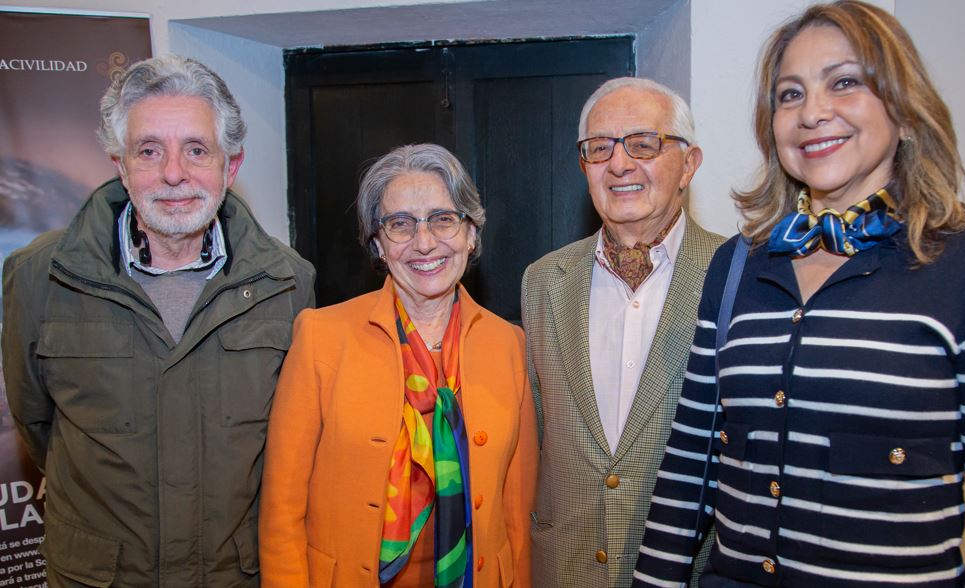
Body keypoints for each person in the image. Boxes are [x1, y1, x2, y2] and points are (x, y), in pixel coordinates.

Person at [633, 2, 965, 587]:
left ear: (905, 113)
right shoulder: (736, 267)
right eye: (790, 94)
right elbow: (688, 467)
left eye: (845, 83)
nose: (813, 113)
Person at [1, 55, 315, 586]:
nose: (174, 173)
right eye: (150, 151)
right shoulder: (40, 276)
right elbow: (39, 428)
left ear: (229, 166)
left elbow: (292, 441)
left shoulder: (288, 283)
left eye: (197, 150)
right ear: (121, 166)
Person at [260, 143, 538, 587]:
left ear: (470, 233)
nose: (424, 242)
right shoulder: (320, 337)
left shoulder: (508, 344)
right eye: (400, 224)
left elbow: (518, 512)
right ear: (377, 243)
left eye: (443, 219)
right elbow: (281, 514)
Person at [522, 77, 724, 587]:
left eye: (643, 143)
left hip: (691, 570)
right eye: (599, 148)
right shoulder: (543, 280)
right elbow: (539, 433)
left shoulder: (738, 274)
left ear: (689, 164)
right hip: (563, 568)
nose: (619, 164)